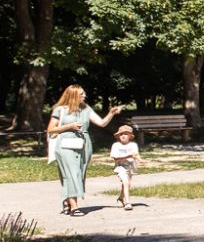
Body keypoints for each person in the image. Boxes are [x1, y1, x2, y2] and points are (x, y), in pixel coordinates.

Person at [46, 85, 124, 216]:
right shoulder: (60, 110)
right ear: (73, 95)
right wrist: (69, 126)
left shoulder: (86, 109)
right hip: (65, 144)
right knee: (72, 172)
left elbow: (102, 123)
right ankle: (74, 207)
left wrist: (111, 113)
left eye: (84, 94)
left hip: (84, 144)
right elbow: (51, 129)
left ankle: (67, 200)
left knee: (79, 173)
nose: (84, 96)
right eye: (81, 94)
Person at [109, 123, 141, 210]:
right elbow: (116, 159)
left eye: (125, 134)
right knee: (126, 183)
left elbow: (136, 155)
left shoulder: (133, 145)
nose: (123, 136)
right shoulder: (116, 145)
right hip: (120, 167)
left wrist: (141, 160)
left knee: (126, 184)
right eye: (121, 134)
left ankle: (120, 198)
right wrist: (128, 156)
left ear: (130, 136)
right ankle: (127, 203)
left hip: (130, 166)